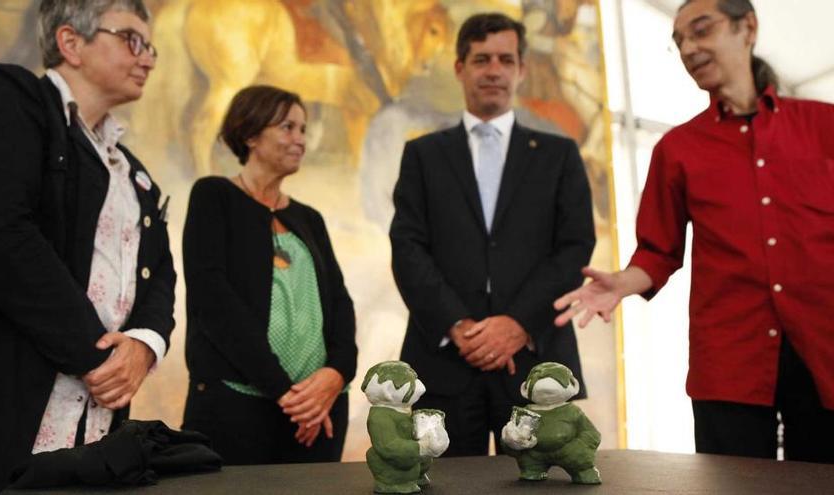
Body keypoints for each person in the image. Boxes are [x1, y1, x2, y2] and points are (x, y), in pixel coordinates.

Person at [555, 0, 834, 463]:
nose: (688, 48)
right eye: (679, 40)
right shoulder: (677, 149)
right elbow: (656, 252)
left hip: (825, 347)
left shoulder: (824, 126)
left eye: (701, 31)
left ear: (748, 28)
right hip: (729, 360)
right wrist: (621, 283)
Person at [0, 1, 176, 492]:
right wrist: (95, 357)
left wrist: (144, 345)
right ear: (70, 42)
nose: (148, 59)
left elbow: (160, 270)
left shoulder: (131, 169)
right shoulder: (9, 97)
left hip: (94, 440)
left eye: (151, 47)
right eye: (132, 40)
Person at [390, 12, 595, 456]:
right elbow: (408, 249)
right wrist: (459, 326)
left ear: (521, 69)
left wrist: (519, 324)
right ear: (460, 67)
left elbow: (575, 248)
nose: (494, 70)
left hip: (536, 369)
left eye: (506, 59)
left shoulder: (559, 155)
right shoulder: (422, 155)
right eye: (481, 59)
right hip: (443, 363)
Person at [181, 85, 357, 465]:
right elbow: (215, 303)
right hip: (238, 408)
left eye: (303, 130)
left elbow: (340, 305)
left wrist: (336, 375)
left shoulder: (309, 218)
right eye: (287, 127)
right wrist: (288, 395)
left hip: (320, 413)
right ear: (250, 134)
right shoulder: (214, 196)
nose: (300, 140)